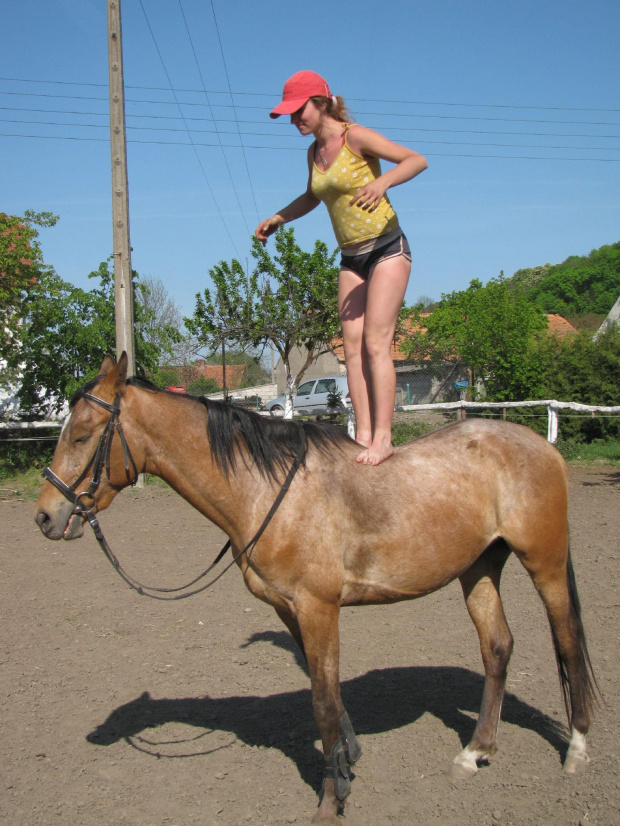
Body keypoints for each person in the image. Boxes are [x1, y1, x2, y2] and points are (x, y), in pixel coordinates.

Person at [255, 70, 428, 465]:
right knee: (350, 351)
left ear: (320, 103)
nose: (294, 121)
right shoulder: (313, 153)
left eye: (299, 112)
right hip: (351, 257)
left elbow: (416, 160)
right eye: (289, 115)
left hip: (387, 247)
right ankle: (362, 435)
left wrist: (383, 184)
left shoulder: (356, 137)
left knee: (375, 343)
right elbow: (312, 196)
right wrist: (278, 218)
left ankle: (383, 438)